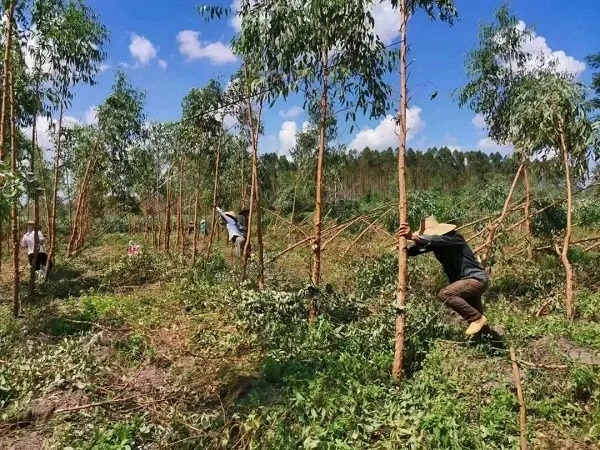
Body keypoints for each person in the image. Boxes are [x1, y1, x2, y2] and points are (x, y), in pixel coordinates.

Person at [398, 216, 489, 336]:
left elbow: (434, 240)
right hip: (467, 282)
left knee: (446, 294)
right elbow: (418, 249)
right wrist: (403, 247)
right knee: (477, 318)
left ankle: (477, 319)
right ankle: (488, 338)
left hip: (475, 279)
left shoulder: (454, 237)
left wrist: (413, 237)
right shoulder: (439, 244)